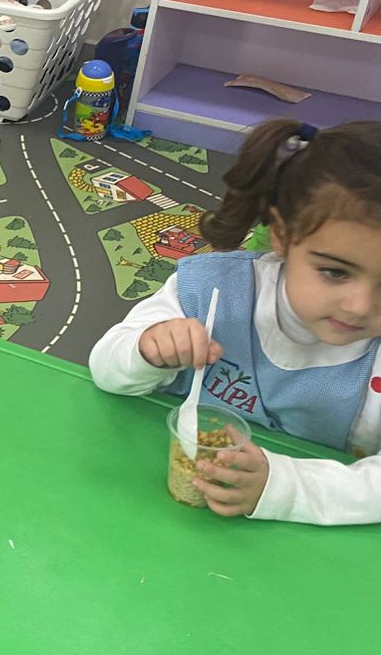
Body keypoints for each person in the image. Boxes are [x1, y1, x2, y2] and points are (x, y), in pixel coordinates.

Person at [90, 119, 381, 525]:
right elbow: (105, 370)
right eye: (335, 272)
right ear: (282, 236)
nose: (360, 306)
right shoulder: (209, 289)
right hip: (139, 500)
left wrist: (283, 487)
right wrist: (147, 350)